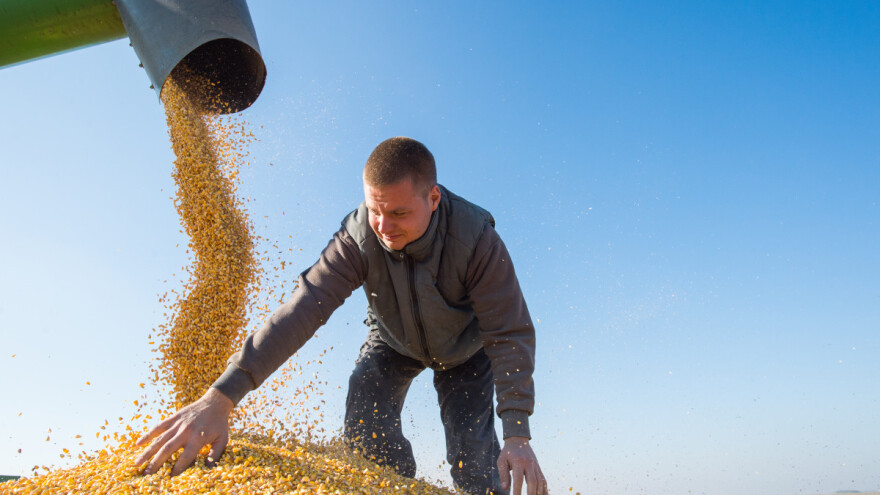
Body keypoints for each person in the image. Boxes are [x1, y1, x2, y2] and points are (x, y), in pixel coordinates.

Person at [135, 137, 548, 495]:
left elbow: (509, 332)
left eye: (400, 213)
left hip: (465, 352)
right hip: (391, 341)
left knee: (474, 460)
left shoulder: (475, 239)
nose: (384, 226)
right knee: (366, 418)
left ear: (433, 198)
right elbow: (303, 308)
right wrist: (221, 397)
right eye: (375, 210)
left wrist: (516, 431)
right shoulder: (358, 239)